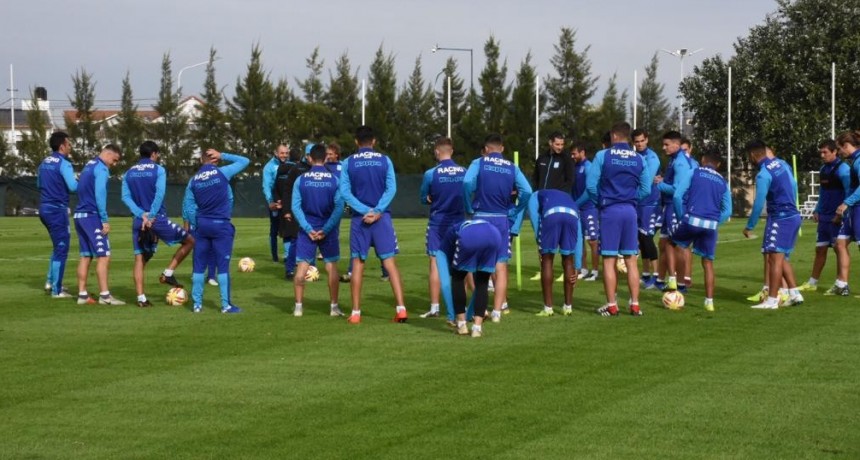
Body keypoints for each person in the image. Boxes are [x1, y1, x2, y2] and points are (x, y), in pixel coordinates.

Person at [339, 125, 408, 324]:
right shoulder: (385, 160)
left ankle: (355, 313)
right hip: (382, 218)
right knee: (390, 264)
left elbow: (345, 192)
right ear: (374, 141)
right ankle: (401, 309)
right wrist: (377, 211)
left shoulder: (348, 162)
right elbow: (391, 188)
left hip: (359, 219)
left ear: (356, 142)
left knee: (358, 264)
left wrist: (364, 210)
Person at [464, 133, 532, 323]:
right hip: (501, 219)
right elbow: (527, 191)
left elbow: (467, 182)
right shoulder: (512, 167)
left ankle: (480, 308)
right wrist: (516, 209)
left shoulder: (479, 163)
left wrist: (468, 205)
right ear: (501, 149)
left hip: (481, 217)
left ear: (486, 150)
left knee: (477, 265)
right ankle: (497, 311)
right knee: (501, 266)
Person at [586, 122, 652, 316]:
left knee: (609, 260)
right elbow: (647, 189)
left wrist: (602, 201)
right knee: (631, 259)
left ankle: (612, 304)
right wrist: (631, 199)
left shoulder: (602, 155)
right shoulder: (639, 159)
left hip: (610, 210)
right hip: (630, 211)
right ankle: (635, 304)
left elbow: (591, 186)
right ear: (628, 137)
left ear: (614, 136)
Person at [120, 140, 195, 307]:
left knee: (140, 259)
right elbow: (159, 194)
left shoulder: (129, 173)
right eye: (158, 154)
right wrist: (151, 215)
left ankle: (141, 299)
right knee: (190, 240)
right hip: (157, 219)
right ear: (153, 154)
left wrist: (141, 215)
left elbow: (125, 197)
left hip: (139, 221)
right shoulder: (158, 170)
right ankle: (168, 273)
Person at [183, 148, 250, 313]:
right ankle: (225, 305)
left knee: (199, 266)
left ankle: (197, 305)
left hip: (202, 225)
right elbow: (244, 161)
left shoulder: (193, 181)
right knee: (223, 266)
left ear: (200, 161)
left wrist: (196, 224)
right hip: (221, 224)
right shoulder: (222, 173)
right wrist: (224, 155)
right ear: (215, 161)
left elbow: (188, 207)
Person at [743, 140, 804, 309]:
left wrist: (750, 225)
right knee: (781, 256)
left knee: (773, 258)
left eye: (749, 157)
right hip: (793, 216)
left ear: (753, 155)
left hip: (780, 218)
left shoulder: (763, 174)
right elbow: (793, 184)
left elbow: (758, 202)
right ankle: (794, 293)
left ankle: (771, 300)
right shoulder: (782, 164)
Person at [670, 150, 732, 311]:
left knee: (671, 244)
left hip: (692, 219)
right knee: (708, 263)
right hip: (710, 225)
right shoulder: (723, 181)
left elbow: (677, 196)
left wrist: (681, 216)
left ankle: (673, 281)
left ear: (703, 160)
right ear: (718, 165)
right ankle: (709, 302)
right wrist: (715, 221)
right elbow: (727, 210)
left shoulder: (694, 171)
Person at [291, 143, 345, 317]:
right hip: (327, 229)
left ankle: (298, 308)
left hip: (308, 228)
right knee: (331, 267)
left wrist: (307, 228)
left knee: (301, 269)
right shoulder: (334, 180)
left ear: (310, 158)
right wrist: (326, 229)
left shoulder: (301, 179)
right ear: (326, 158)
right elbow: (339, 208)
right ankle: (334, 307)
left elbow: (295, 207)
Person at [419, 137, 466, 320]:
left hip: (438, 222)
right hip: (459, 221)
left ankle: (435, 307)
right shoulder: (464, 171)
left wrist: (430, 198)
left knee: (435, 263)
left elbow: (424, 197)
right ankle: (462, 305)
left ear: (437, 152)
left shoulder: (431, 173)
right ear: (452, 151)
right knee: (461, 264)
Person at [73, 144, 125, 305]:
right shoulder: (101, 169)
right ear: (108, 154)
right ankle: (105, 296)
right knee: (104, 255)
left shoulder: (88, 165)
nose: (114, 164)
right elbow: (100, 194)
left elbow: (79, 188)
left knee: (85, 255)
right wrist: (104, 219)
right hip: (91, 216)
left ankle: (82, 295)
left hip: (79, 215)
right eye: (114, 160)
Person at [797, 139, 851, 294]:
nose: (822, 155)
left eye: (825, 152)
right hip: (824, 216)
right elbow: (823, 192)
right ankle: (812, 282)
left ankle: (841, 283)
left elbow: (848, 192)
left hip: (837, 216)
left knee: (839, 249)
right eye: (820, 152)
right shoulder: (823, 169)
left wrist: (841, 214)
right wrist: (817, 209)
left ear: (835, 152)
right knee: (820, 249)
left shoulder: (843, 170)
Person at [435, 219, 502, 338]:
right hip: (494, 235)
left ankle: (461, 325)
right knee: (483, 281)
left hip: (470, 237)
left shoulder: (448, 238)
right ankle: (477, 328)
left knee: (458, 277)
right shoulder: (461, 227)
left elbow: (451, 263)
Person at [527, 189, 582, 317]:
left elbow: (536, 220)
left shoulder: (534, 196)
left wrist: (540, 246)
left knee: (547, 259)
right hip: (572, 215)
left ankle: (548, 308)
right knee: (568, 259)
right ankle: (568, 307)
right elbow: (579, 236)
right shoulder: (569, 198)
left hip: (552, 215)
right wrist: (578, 266)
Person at [529, 132, 574, 281]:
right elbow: (535, 178)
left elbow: (570, 180)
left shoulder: (566, 159)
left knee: (561, 239)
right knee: (540, 236)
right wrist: (536, 193)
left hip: (557, 204)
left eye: (562, 144)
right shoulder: (542, 158)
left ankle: (563, 270)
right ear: (550, 143)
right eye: (557, 144)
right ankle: (544, 269)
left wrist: (560, 197)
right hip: (541, 202)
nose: (560, 147)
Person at [37, 131, 78, 298]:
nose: (70, 147)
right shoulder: (64, 163)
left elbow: (39, 184)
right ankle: (57, 290)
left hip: (44, 208)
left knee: (57, 246)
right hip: (57, 210)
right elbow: (73, 187)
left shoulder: (43, 162)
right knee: (62, 248)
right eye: (69, 144)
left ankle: (50, 281)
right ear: (62, 146)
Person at [655, 131, 695, 292]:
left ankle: (678, 282)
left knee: (676, 245)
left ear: (676, 145)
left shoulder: (680, 162)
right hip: (668, 206)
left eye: (666, 144)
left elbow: (678, 189)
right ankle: (669, 279)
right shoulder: (674, 160)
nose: (663, 147)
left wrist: (659, 183)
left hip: (676, 206)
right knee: (665, 243)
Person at [273, 146, 309, 279]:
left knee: (311, 239)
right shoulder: (296, 169)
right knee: (294, 237)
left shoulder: (320, 170)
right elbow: (287, 190)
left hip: (309, 210)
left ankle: (310, 268)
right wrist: (286, 209)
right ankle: (290, 269)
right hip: (296, 209)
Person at [632, 129, 662, 289]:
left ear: (647, 140)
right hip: (638, 204)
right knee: (641, 238)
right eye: (637, 141)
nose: (640, 144)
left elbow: (648, 181)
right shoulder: (633, 157)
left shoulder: (652, 157)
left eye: (642, 140)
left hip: (651, 204)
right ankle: (645, 274)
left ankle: (657, 277)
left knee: (648, 238)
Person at [833, 131, 860, 296]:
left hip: (859, 208)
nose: (839, 152)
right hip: (853, 209)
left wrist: (847, 202)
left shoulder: (859, 161)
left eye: (839, 148)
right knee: (840, 244)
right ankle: (842, 285)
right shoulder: (855, 161)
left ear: (846, 146)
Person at [571, 142, 599, 281]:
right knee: (579, 240)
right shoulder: (574, 167)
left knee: (593, 241)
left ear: (582, 153)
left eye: (574, 153)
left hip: (588, 209)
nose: (572, 156)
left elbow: (589, 191)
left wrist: (575, 204)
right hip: (577, 209)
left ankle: (595, 271)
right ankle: (583, 268)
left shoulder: (589, 167)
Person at [263, 144, 290, 262]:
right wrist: (271, 202)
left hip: (287, 201)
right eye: (282, 153)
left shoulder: (290, 165)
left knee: (288, 229)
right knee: (274, 229)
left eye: (286, 153)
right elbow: (266, 186)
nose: (284, 155)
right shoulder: (269, 167)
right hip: (275, 202)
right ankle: (274, 256)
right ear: (276, 153)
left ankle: (287, 256)